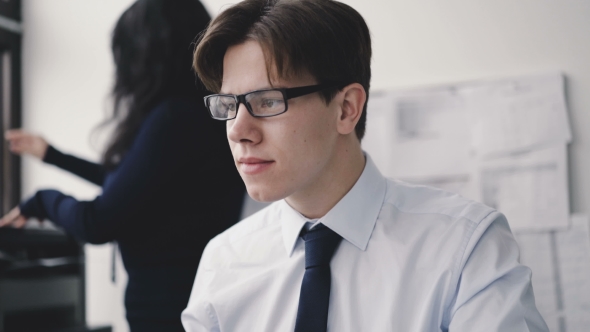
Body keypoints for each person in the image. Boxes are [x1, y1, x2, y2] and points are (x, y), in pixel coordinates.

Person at [180, 0, 550, 331]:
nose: (239, 131)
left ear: (346, 109)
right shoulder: (223, 262)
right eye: (229, 105)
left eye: (266, 101)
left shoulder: (464, 248)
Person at [0, 0, 245, 330]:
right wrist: (51, 155)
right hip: (194, 307)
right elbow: (133, 185)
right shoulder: (201, 116)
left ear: (146, 56)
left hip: (169, 314)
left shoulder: (173, 119)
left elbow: (97, 221)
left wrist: (44, 200)